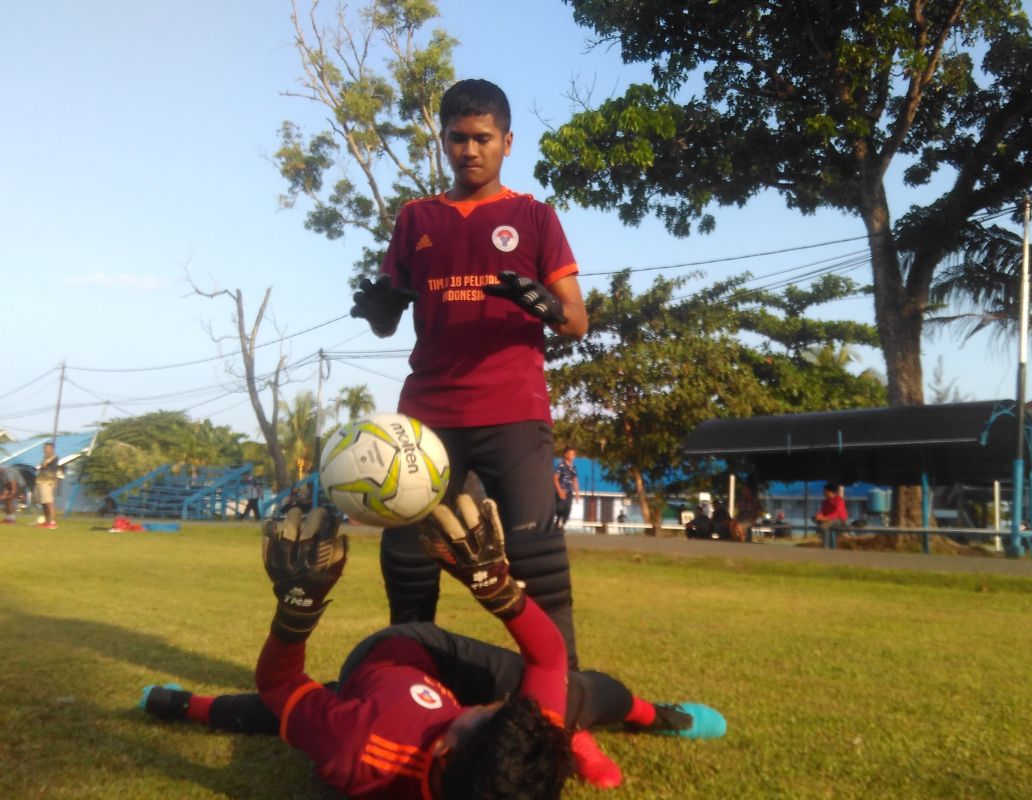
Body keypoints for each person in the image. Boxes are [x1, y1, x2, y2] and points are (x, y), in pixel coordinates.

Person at [346, 76, 613, 783]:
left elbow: (577, 320)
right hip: (427, 417)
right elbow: (389, 316)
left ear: (506, 142)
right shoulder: (416, 218)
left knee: (539, 566)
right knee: (409, 560)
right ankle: (415, 697)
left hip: (514, 409)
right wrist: (374, 306)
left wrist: (543, 305)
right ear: (443, 140)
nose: (471, 149)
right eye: (458, 138)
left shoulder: (532, 216)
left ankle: (565, 722)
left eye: (483, 138)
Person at [138, 498, 725, 797]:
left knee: (286, 714)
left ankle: (187, 703)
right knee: (576, 691)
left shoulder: (357, 748)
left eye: (488, 715)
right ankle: (656, 719)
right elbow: (546, 660)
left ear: (445, 742)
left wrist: (297, 610)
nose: (500, 705)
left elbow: (279, 687)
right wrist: (496, 586)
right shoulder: (503, 764)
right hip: (433, 663)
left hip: (391, 658)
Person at [813, 482, 848, 548]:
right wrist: (818, 515)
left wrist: (824, 518)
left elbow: (836, 514)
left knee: (824, 526)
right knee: (821, 523)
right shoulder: (826, 501)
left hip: (839, 521)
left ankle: (825, 548)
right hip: (829, 521)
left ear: (829, 491)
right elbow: (822, 511)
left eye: (824, 491)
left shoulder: (839, 500)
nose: (823, 493)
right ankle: (826, 545)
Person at [553, 447, 580, 530]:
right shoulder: (560, 466)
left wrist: (577, 493)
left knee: (567, 509)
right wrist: (559, 491)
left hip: (569, 491)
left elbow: (574, 480)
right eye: (571, 454)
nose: (573, 456)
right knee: (560, 508)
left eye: (574, 454)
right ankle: (557, 522)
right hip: (561, 491)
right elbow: (555, 478)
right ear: (566, 455)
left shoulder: (573, 467)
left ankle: (562, 524)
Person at [34, 442, 59, 529]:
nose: (45, 450)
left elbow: (47, 467)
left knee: (49, 502)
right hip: (41, 481)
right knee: (44, 503)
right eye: (44, 448)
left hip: (48, 482)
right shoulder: (45, 458)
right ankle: (46, 521)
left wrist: (44, 465)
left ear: (52, 449)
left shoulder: (53, 458)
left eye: (47, 448)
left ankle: (52, 522)